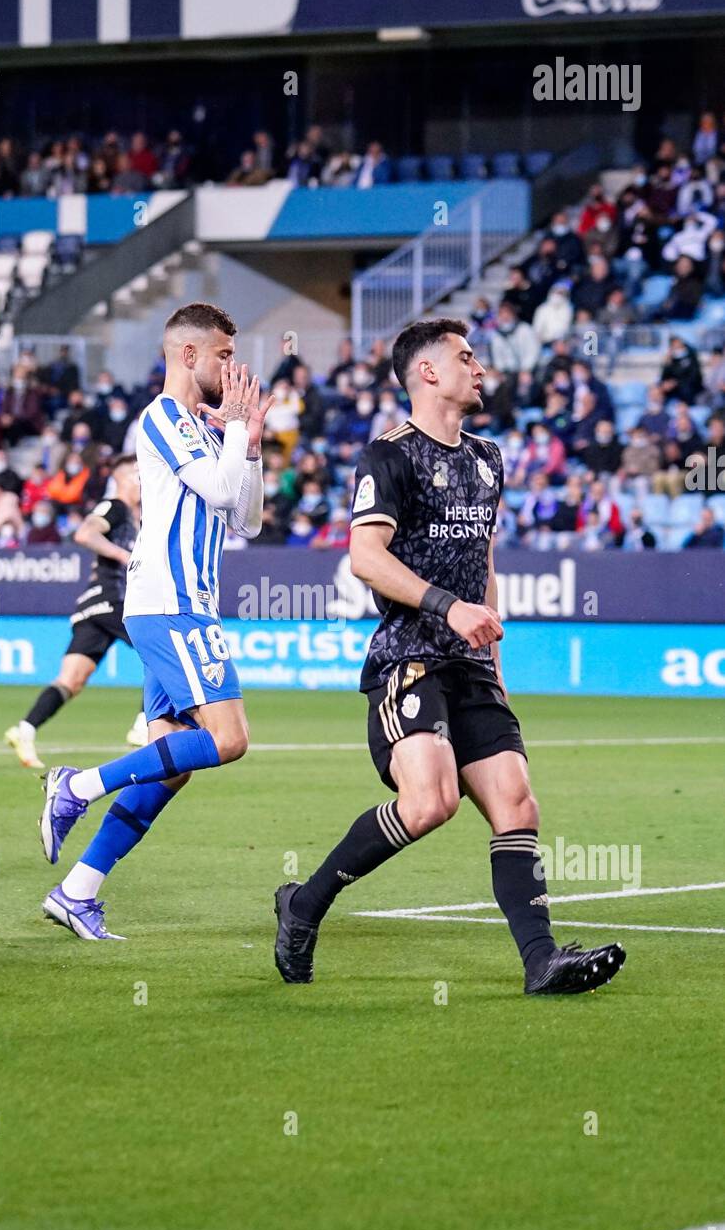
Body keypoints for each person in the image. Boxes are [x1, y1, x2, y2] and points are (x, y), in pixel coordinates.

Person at [272, 316, 626, 996]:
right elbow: (365, 557)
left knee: (517, 804)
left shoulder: (488, 458)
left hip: (469, 663)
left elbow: (484, 560)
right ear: (427, 372)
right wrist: (448, 608)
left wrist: (492, 656)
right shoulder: (389, 456)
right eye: (465, 357)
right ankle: (304, 904)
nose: (479, 367)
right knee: (431, 802)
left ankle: (541, 963)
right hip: (409, 653)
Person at [36, 302, 273, 941]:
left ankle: (76, 891)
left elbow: (245, 517)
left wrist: (246, 441)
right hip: (173, 602)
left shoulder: (203, 424)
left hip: (185, 600)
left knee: (171, 763)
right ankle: (76, 784)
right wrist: (234, 430)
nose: (233, 365)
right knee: (228, 738)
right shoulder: (163, 416)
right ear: (188, 354)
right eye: (224, 354)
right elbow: (222, 495)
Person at [5, 456, 147, 771]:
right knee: (160, 651)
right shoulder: (115, 507)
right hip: (115, 600)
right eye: (137, 476)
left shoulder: (140, 517)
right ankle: (143, 724)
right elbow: (85, 534)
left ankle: (24, 729)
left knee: (72, 679)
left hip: (92, 607)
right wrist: (123, 555)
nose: (142, 482)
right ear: (122, 480)